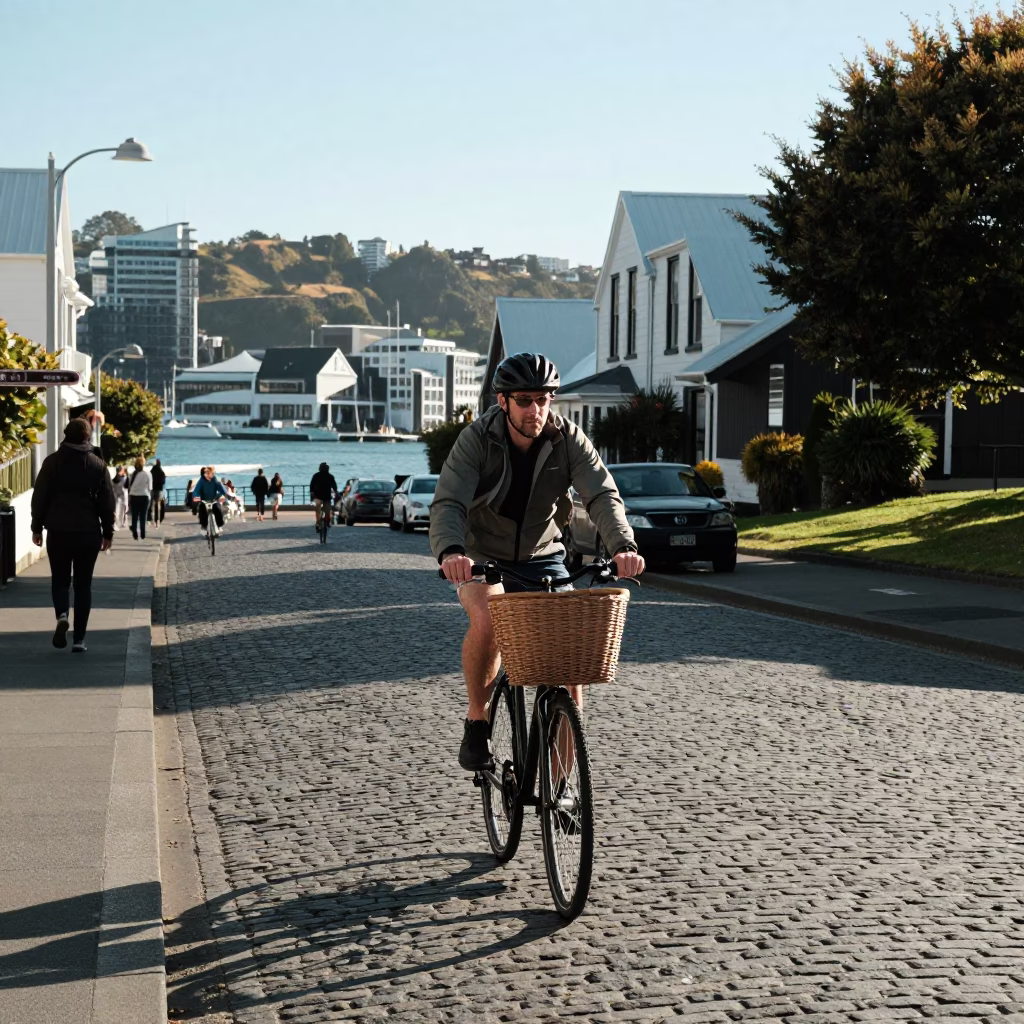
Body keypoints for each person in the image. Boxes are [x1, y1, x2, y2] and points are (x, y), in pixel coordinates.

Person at [430, 352, 646, 770]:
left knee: (569, 660)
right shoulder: (477, 439)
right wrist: (451, 552)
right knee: (490, 620)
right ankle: (478, 719)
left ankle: (563, 782)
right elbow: (450, 501)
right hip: (481, 555)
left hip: (544, 554)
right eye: (525, 400)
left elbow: (601, 495)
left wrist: (624, 547)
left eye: (544, 398)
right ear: (502, 401)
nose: (536, 409)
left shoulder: (567, 439)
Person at [30, 417, 115, 653]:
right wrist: (107, 532)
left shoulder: (52, 462)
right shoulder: (98, 465)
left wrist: (36, 527)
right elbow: (107, 502)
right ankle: (79, 640)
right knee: (83, 585)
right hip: (88, 532)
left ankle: (62, 615)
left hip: (58, 531)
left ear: (65, 435)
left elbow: (40, 497)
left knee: (59, 580)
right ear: (87, 436)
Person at [192, 465, 228, 536]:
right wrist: (196, 496)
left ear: (212, 473)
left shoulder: (215, 480)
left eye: (209, 473)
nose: (207, 475)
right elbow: (196, 491)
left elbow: (222, 489)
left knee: (218, 511)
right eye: (206, 473)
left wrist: (222, 495)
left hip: (213, 500)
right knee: (202, 512)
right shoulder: (201, 481)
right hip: (204, 500)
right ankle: (204, 527)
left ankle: (218, 526)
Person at [127, 456, 152, 540]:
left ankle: (134, 532)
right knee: (143, 516)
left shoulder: (132, 474)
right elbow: (150, 487)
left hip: (134, 496)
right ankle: (143, 534)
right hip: (144, 496)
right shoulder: (147, 474)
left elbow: (129, 485)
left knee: (134, 515)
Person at [309, 462, 338, 528]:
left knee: (319, 509)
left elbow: (311, 485)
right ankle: (324, 522)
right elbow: (334, 487)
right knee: (326, 510)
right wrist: (335, 492)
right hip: (324, 496)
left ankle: (320, 522)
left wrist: (312, 492)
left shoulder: (316, 475)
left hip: (320, 496)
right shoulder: (330, 476)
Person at [149, 458, 166, 527]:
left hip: (152, 489)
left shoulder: (152, 471)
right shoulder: (161, 472)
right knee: (157, 505)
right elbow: (163, 482)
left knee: (151, 505)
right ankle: (157, 521)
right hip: (159, 490)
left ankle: (150, 519)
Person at [112, 466, 129, 530]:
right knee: (119, 511)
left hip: (118, 497)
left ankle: (118, 524)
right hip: (121, 497)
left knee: (118, 511)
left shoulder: (115, 479)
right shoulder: (124, 478)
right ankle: (117, 524)